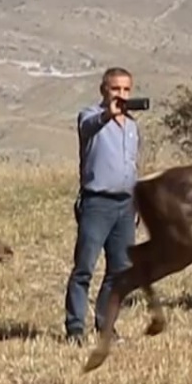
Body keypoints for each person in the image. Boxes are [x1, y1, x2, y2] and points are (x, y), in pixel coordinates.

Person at [63, 67, 143, 345]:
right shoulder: (90, 117)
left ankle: (106, 325)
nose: (121, 95)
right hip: (97, 203)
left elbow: (133, 166)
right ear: (104, 90)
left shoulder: (132, 127)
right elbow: (90, 125)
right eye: (115, 89)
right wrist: (108, 113)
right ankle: (75, 328)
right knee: (84, 267)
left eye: (126, 90)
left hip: (125, 205)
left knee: (120, 270)